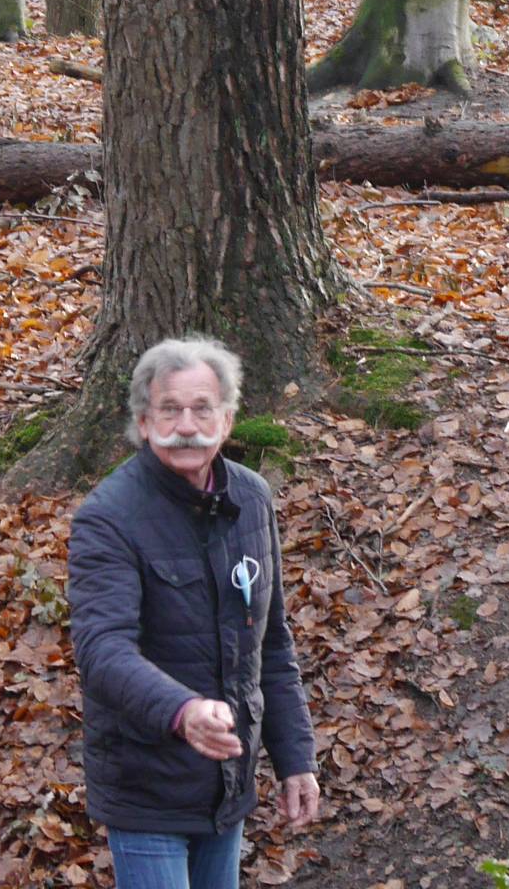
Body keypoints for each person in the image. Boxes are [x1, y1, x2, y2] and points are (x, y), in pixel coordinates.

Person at [67, 337, 321, 889]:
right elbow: (102, 651)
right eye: (170, 409)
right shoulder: (107, 518)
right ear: (143, 420)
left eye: (202, 408)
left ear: (227, 421)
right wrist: (183, 712)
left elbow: (271, 644)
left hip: (227, 781)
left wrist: (295, 757)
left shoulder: (251, 498)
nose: (187, 425)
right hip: (147, 786)